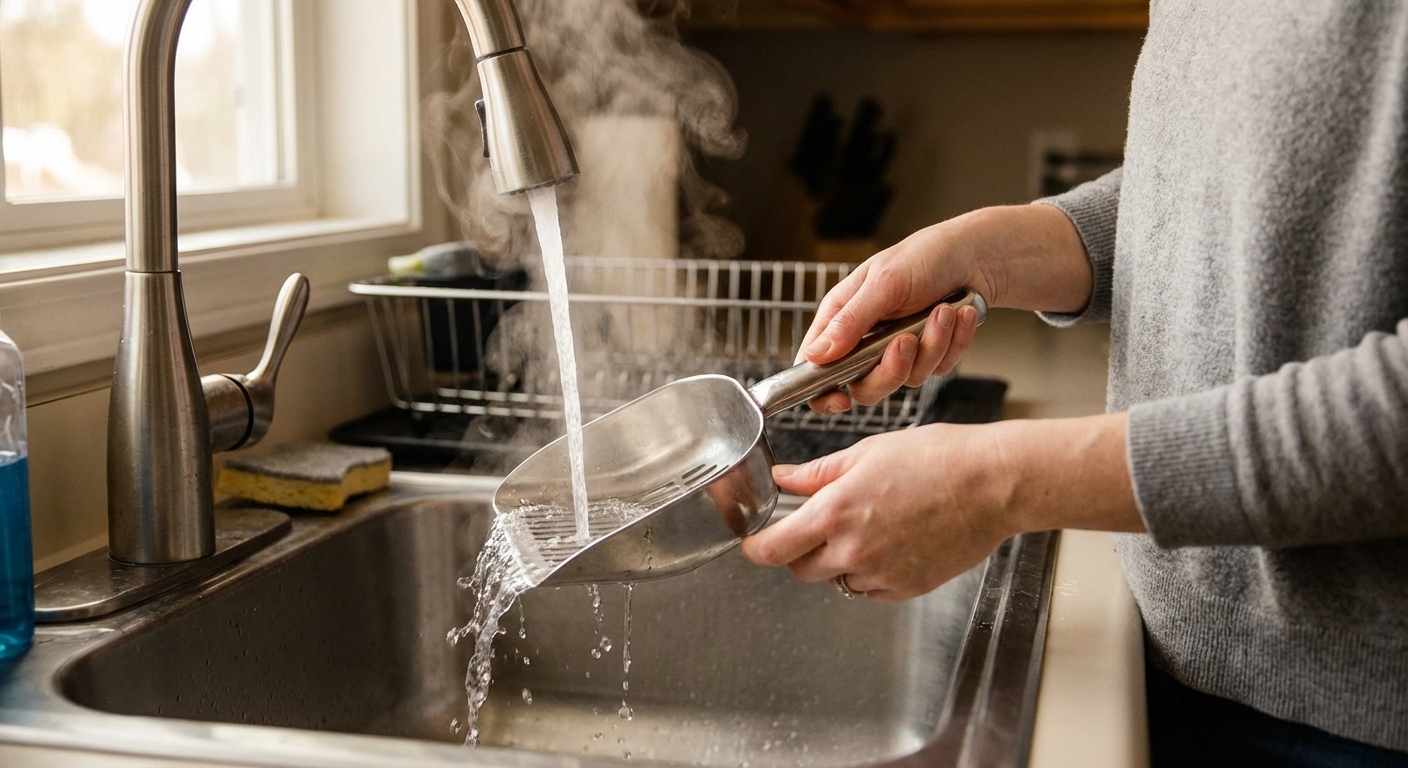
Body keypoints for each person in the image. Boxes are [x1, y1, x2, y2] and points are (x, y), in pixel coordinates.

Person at [739, 4, 1408, 766]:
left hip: (1358, 721)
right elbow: (1233, 185)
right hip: (1171, 648)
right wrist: (993, 251)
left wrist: (998, 483)